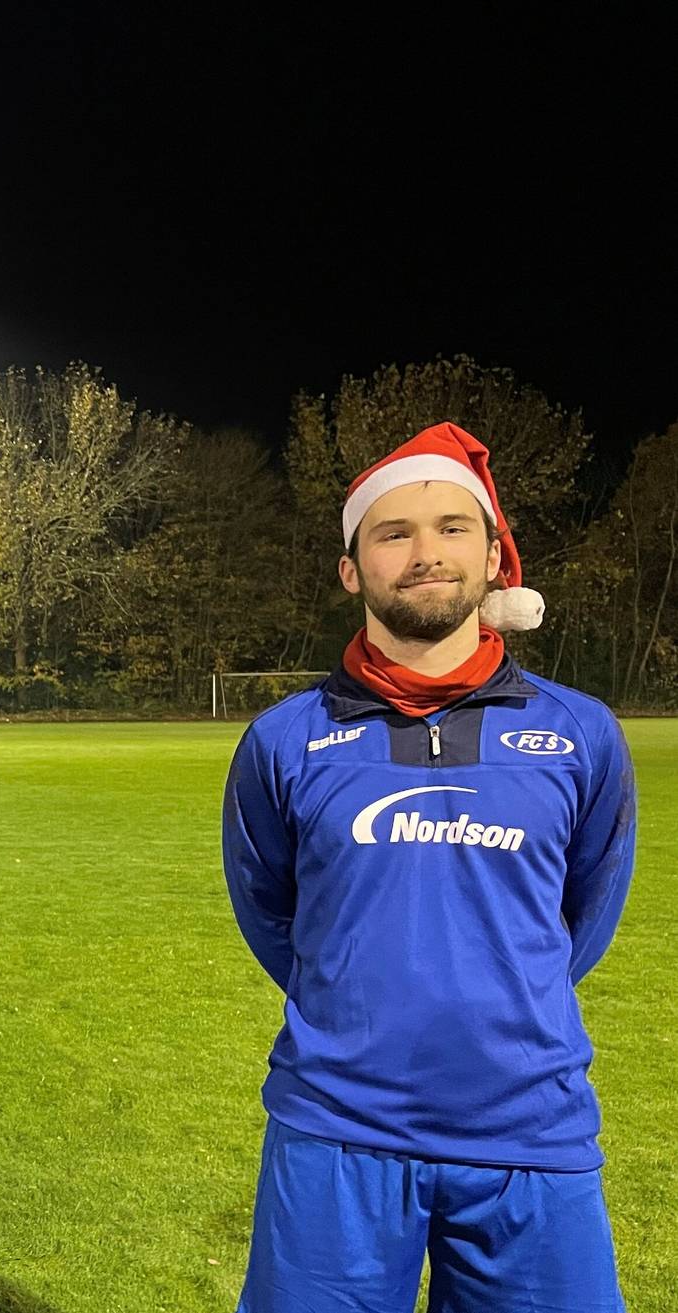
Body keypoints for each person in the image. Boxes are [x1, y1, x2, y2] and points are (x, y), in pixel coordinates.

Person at [224, 422, 636, 1312]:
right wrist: (352, 999)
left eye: (453, 527)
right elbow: (268, 907)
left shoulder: (580, 733)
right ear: (351, 569)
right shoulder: (284, 738)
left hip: (532, 1131)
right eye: (393, 532)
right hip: (337, 1130)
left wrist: (503, 998)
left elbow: (586, 912)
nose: (426, 553)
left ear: (495, 557)